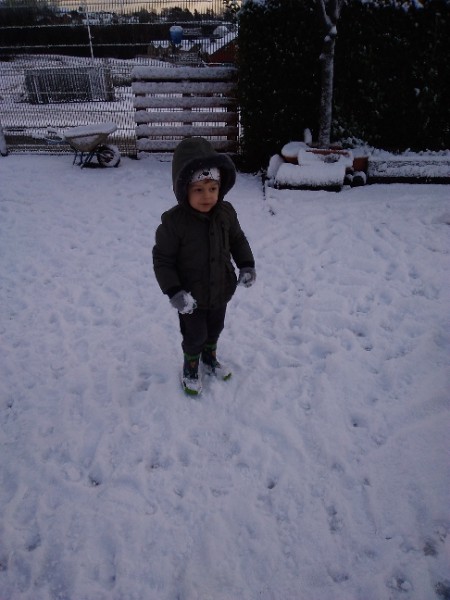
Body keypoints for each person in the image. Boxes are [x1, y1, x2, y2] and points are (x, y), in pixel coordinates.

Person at [153, 137, 256, 395]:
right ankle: (190, 366)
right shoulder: (174, 223)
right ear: (183, 190)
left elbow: (237, 240)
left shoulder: (226, 213)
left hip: (221, 287)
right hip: (191, 295)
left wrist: (246, 264)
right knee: (195, 335)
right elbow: (162, 259)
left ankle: (210, 358)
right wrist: (174, 291)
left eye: (212, 188)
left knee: (215, 329)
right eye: (198, 189)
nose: (207, 195)